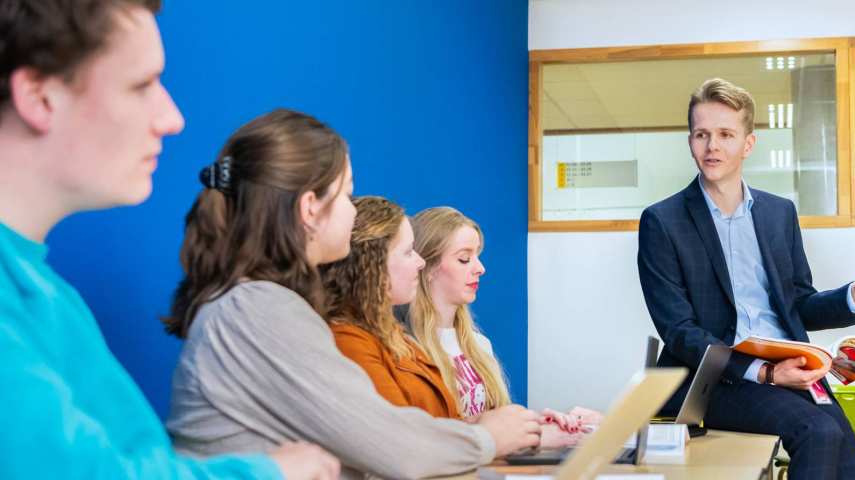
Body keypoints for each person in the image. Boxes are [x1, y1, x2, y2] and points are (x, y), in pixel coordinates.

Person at [0, 1, 337, 478]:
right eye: (141, 85)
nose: (173, 117)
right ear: (39, 97)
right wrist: (269, 473)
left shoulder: (48, 297)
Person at [162, 110, 540, 480]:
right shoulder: (256, 310)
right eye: (347, 194)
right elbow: (393, 445)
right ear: (310, 208)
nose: (351, 210)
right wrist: (489, 437)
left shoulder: (255, 305)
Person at [636, 78, 855, 480]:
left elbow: (799, 304)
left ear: (748, 144)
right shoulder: (662, 222)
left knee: (848, 457)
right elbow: (679, 330)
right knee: (818, 430)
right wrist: (765, 373)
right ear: (690, 141)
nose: (712, 146)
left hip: (792, 366)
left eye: (725, 134)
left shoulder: (778, 214)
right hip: (717, 378)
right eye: (701, 135)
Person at [407, 206, 598, 447]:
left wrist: (534, 425)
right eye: (464, 258)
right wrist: (536, 436)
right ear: (426, 266)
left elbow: (497, 429)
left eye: (477, 256)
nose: (480, 268)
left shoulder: (479, 345)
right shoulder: (405, 350)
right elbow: (422, 440)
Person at [320, 196, 460, 419]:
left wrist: (491, 424)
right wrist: (486, 432)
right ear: (373, 266)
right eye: (408, 252)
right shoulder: (350, 343)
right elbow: (402, 434)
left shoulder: (394, 335)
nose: (421, 262)